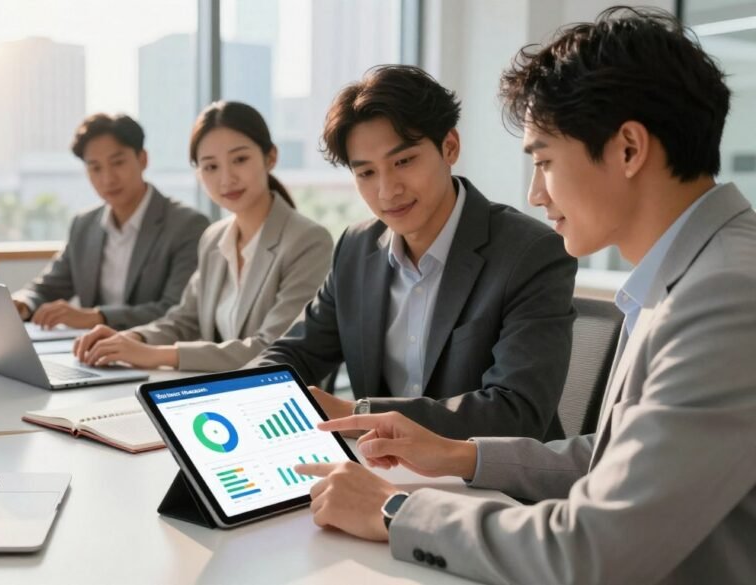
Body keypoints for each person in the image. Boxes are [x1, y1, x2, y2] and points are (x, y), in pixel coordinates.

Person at [296, 8, 755, 584]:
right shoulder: (691, 274)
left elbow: (593, 549)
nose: (536, 193)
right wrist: (456, 454)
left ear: (629, 149)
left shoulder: (726, 297)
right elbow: (620, 459)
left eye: (543, 161)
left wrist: (393, 510)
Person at [250, 65, 577, 440]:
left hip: (490, 486)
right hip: (380, 473)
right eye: (366, 173)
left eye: (403, 162)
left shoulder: (529, 253)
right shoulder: (356, 248)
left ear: (449, 147)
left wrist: (361, 415)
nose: (388, 191)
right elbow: (295, 353)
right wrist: (238, 397)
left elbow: (515, 411)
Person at [73, 101, 333, 372]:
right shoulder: (214, 238)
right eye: (210, 167)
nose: (226, 178)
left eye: (240, 159)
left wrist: (157, 355)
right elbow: (185, 320)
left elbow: (273, 347)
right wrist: (130, 339)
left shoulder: (308, 241)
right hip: (218, 392)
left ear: (270, 157)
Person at [12, 113, 209, 330]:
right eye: (95, 168)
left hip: (152, 354)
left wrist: (98, 317)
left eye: (118, 163)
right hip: (90, 353)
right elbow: (47, 288)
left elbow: (176, 310)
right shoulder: (83, 225)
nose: (107, 179)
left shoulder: (188, 225)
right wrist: (23, 303)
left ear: (143, 159)